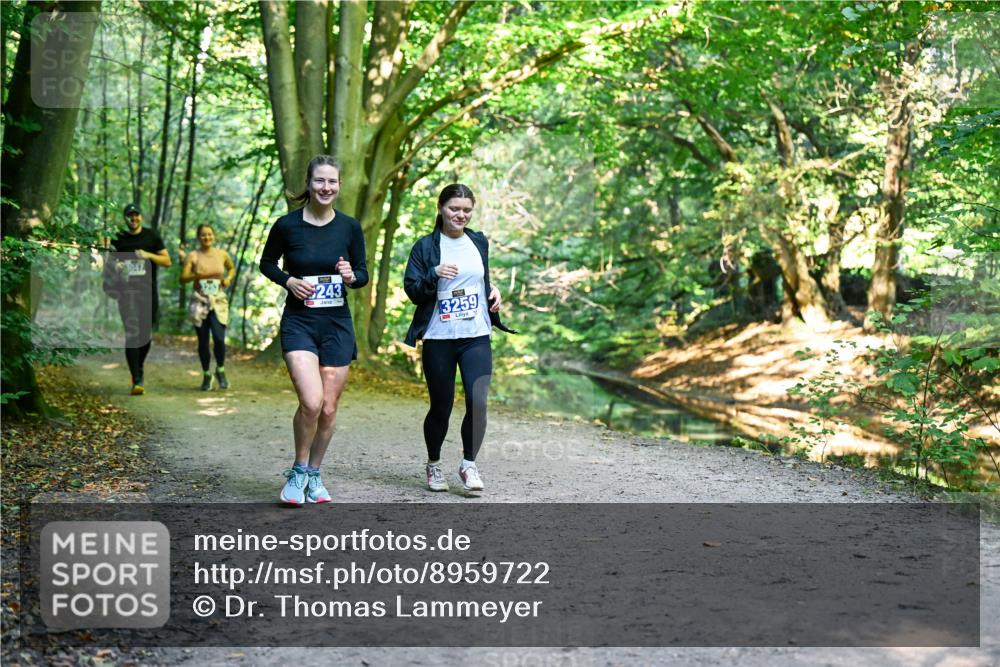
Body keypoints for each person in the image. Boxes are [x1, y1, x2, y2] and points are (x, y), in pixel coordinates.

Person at [259, 155, 368, 505]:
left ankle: (315, 474)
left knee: (330, 408)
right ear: (308, 184)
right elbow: (266, 263)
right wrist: (288, 280)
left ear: (339, 186)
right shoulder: (287, 226)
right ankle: (298, 469)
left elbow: (362, 274)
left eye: (332, 182)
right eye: (319, 181)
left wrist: (352, 277)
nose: (326, 188)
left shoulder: (349, 227)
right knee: (311, 401)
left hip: (336, 323)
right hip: (300, 322)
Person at [403, 184, 514, 493]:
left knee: (478, 402)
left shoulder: (478, 241)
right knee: (441, 406)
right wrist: (434, 273)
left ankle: (469, 464)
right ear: (441, 208)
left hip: (476, 334)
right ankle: (434, 464)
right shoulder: (425, 247)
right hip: (439, 337)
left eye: (466, 210)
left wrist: (493, 292)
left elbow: (481, 279)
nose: (460, 214)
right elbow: (412, 291)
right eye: (454, 208)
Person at [106, 203, 171, 395]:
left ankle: (138, 367)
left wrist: (148, 255)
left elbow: (167, 261)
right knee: (132, 334)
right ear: (125, 219)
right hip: (126, 294)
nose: (133, 219)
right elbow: (109, 265)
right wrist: (116, 266)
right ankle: (137, 378)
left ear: (141, 217)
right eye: (129, 216)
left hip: (148, 293)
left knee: (145, 334)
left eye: (136, 216)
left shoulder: (152, 236)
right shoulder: (118, 238)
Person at [180, 224, 235, 391]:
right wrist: (196, 274)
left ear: (214, 236)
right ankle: (206, 374)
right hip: (200, 301)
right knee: (203, 341)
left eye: (210, 235)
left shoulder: (221, 254)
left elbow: (231, 268)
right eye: (203, 235)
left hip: (218, 300)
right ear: (198, 237)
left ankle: (220, 370)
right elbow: (183, 278)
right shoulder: (193, 256)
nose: (207, 238)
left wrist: (228, 279)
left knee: (219, 338)